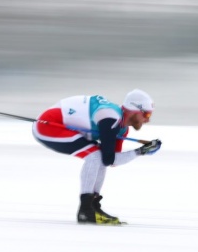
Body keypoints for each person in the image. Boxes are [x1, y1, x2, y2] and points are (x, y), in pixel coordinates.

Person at [32, 89, 162, 225]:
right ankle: (86, 210)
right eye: (146, 114)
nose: (148, 119)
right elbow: (108, 158)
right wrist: (140, 152)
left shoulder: (122, 127)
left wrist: (140, 151)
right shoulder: (110, 118)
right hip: (47, 125)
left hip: (59, 124)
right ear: (135, 110)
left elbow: (112, 161)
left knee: (98, 156)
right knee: (94, 156)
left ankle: (92, 206)